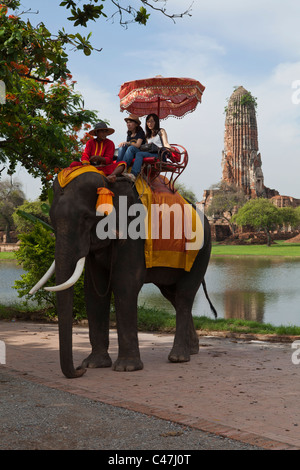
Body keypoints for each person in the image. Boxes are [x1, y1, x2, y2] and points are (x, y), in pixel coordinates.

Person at [124, 113, 172, 182]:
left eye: (152, 121)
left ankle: (133, 174)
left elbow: (166, 143)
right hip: (149, 152)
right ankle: (124, 167)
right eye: (148, 121)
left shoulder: (161, 131)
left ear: (156, 122)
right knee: (133, 149)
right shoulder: (147, 135)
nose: (149, 123)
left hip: (158, 153)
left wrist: (170, 149)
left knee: (139, 154)